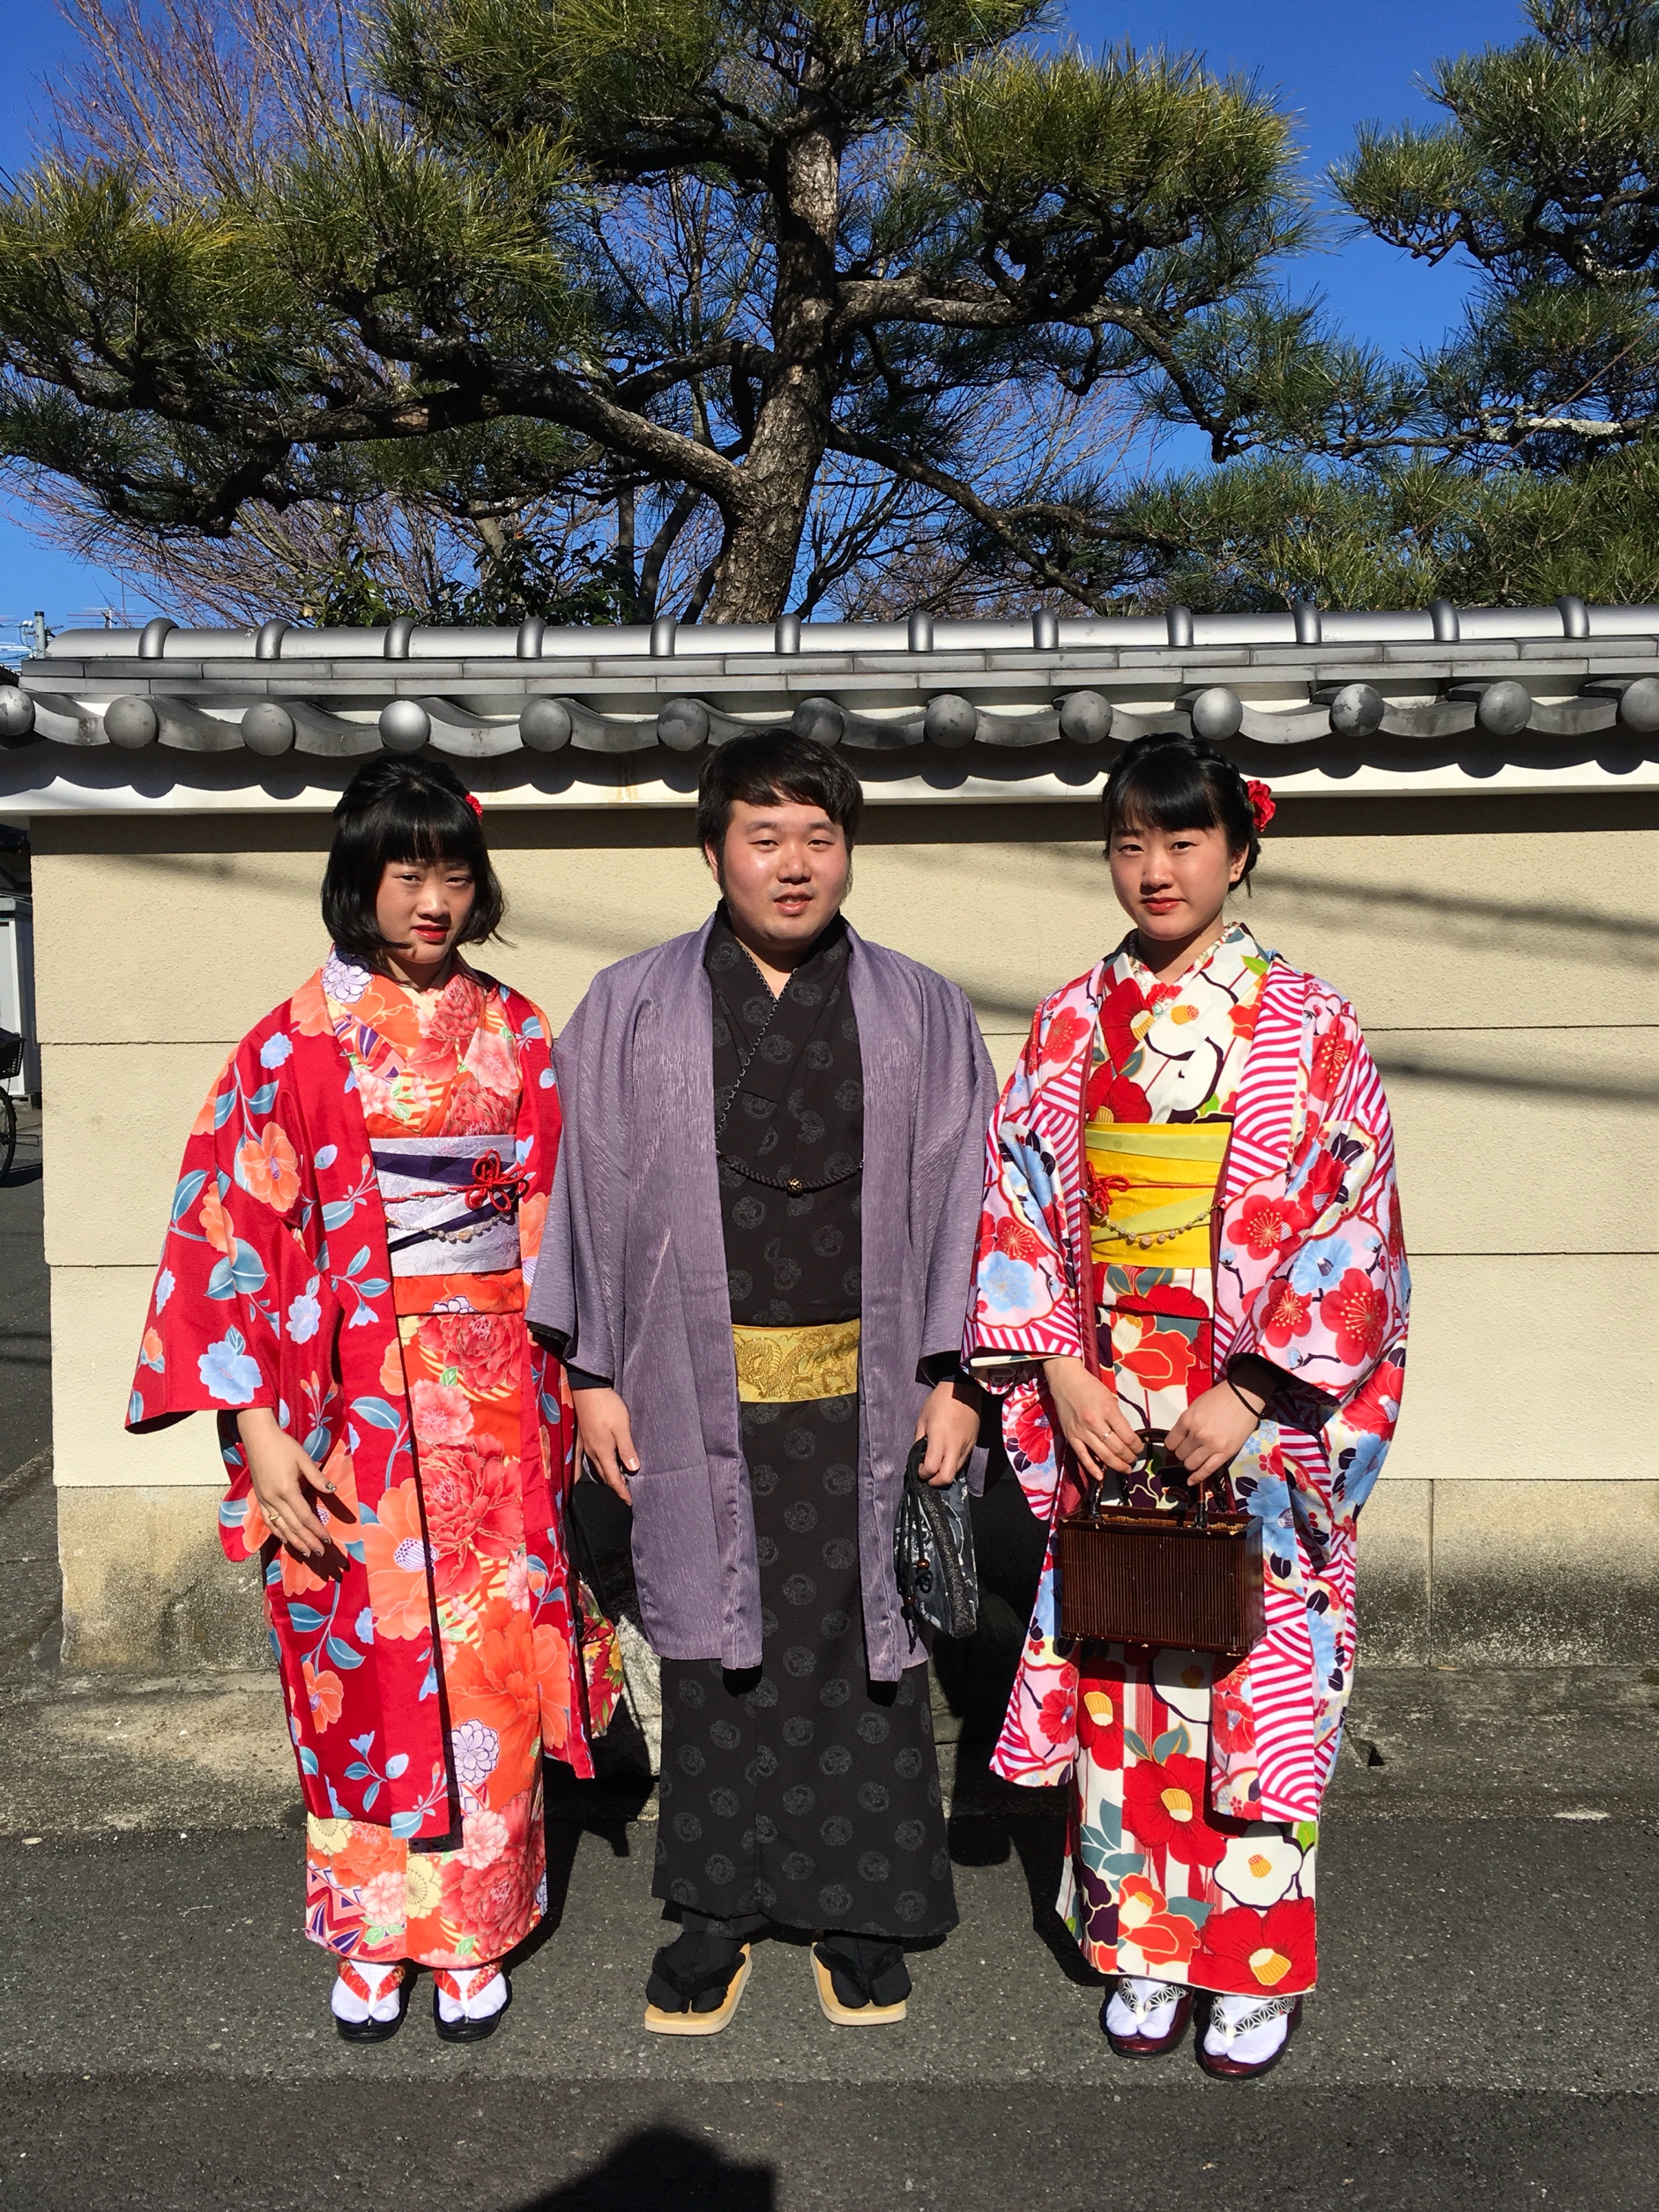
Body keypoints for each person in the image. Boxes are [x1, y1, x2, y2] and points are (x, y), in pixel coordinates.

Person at [127, 755, 617, 2044]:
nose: (433, 899)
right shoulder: (293, 1040)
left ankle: (473, 1928)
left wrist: (582, 1383)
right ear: (359, 880)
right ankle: (370, 1926)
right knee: (358, 1662)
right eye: (407, 872)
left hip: (496, 1393)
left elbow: (567, 1224)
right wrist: (257, 1428)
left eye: (453, 872)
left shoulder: (520, 1033)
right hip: (346, 1399)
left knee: (488, 1661)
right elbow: (233, 1236)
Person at [529, 730, 997, 2032]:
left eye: (819, 838)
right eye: (764, 836)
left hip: (875, 1388)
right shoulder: (627, 1005)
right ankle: (716, 1908)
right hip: (691, 1382)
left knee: (866, 1649)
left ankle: (864, 1909)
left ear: (849, 852)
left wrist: (958, 1378)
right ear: (712, 850)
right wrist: (592, 1375)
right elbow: (583, 1192)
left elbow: (977, 1199)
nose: (794, 865)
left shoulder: (920, 1008)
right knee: (711, 1651)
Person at [968, 732, 1408, 2081]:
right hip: (1104, 1397)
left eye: (1182, 839)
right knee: (1123, 1669)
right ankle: (1144, 1945)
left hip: (1252, 1410)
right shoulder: (1067, 1020)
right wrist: (1057, 1369)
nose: (1153, 868)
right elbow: (1018, 1204)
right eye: (1128, 842)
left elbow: (1351, 1223)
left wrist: (1254, 1387)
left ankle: (1251, 1965)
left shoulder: (1310, 1021)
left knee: (1251, 1681)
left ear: (1237, 849)